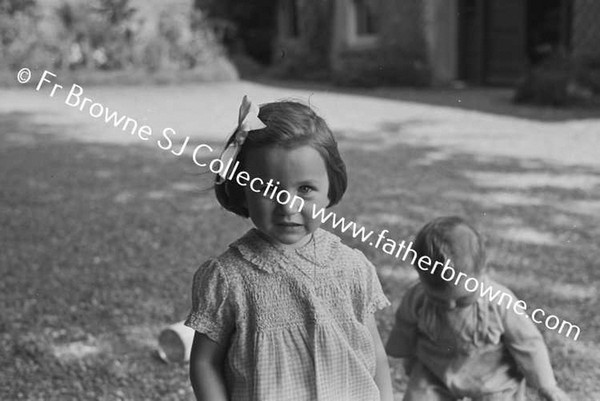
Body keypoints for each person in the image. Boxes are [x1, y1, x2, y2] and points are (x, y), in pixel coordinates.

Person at [185, 96, 393, 401]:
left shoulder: (353, 268)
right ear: (242, 190)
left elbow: (375, 352)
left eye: (305, 189)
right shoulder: (228, 278)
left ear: (330, 190)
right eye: (268, 189)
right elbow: (205, 362)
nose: (288, 206)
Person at [386, 216, 570, 401]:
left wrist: (546, 385)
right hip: (436, 371)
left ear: (482, 272)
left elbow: (529, 343)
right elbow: (405, 327)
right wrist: (406, 356)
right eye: (437, 299)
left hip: (491, 379)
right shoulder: (417, 297)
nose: (450, 306)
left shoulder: (500, 301)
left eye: (462, 300)